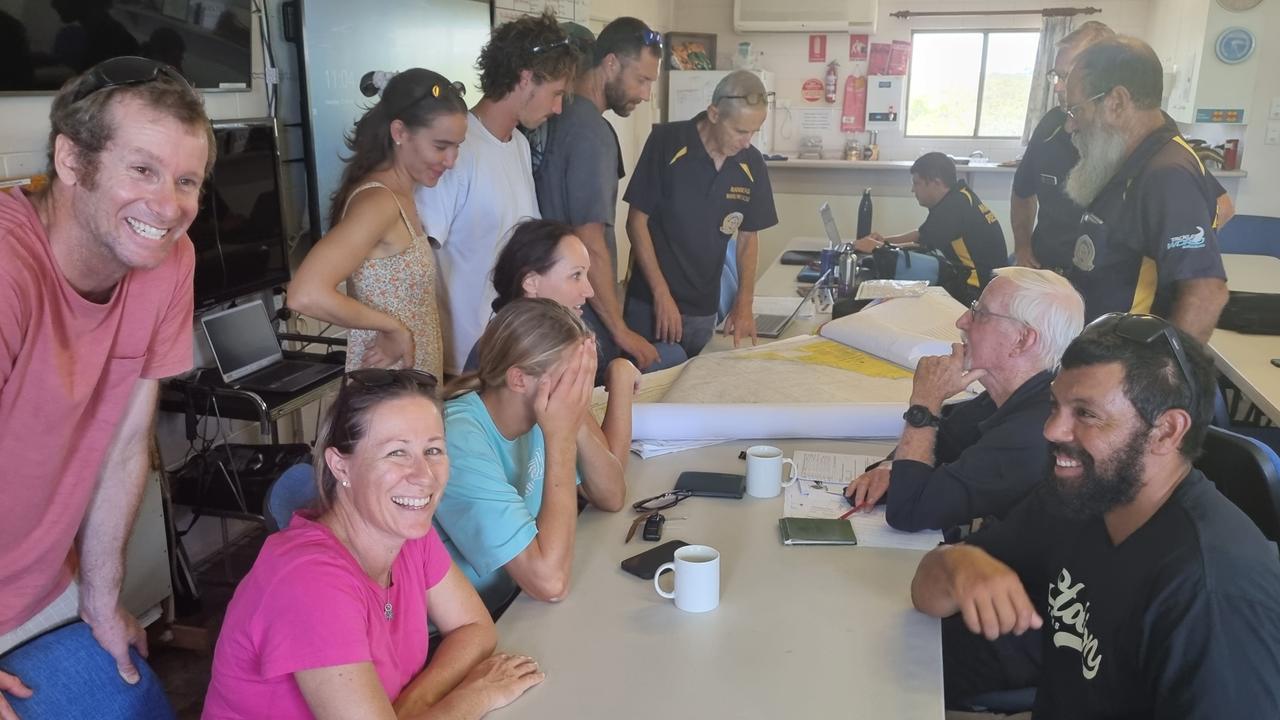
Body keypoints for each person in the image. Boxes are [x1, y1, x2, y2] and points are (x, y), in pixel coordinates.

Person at [910, 312, 1280, 715]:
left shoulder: (1212, 594)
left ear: (1168, 431)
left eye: (1085, 413)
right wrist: (958, 563)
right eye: (1055, 405)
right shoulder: (1079, 497)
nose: (1052, 430)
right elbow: (925, 593)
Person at [0, 56, 212, 715]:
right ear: (71, 160)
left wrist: (100, 595)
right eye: (142, 169)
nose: (169, 205)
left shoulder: (168, 259)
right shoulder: (9, 270)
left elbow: (125, 440)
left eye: (186, 180)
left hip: (38, 586)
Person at [204, 370, 544, 719]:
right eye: (397, 453)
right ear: (341, 465)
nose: (424, 475)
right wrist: (477, 695)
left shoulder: (406, 531)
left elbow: (474, 628)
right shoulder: (309, 582)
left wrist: (410, 707)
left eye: (433, 449)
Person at [845, 267, 1085, 533]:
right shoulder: (1009, 395)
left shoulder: (1031, 435)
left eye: (980, 314)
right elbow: (945, 436)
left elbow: (908, 511)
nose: (962, 321)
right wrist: (890, 468)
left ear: (1022, 340)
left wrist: (924, 403)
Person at [435, 299, 627, 611]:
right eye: (571, 378)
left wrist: (575, 421)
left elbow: (611, 495)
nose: (578, 390)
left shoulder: (546, 413)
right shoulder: (458, 441)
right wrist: (562, 437)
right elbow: (549, 583)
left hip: (516, 604)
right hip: (470, 623)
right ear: (519, 379)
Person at [415, 12, 579, 376]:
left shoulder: (518, 144)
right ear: (525, 79)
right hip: (461, 366)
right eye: (555, 94)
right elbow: (419, 260)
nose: (558, 108)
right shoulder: (455, 150)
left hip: (509, 357)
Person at [1012, 23, 1234, 273]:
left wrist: (1160, 270)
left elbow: (1221, 207)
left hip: (1110, 289)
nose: (1058, 87)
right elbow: (1022, 191)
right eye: (1056, 75)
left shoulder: (1148, 133)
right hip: (1049, 272)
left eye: (1067, 75)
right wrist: (1022, 247)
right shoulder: (1050, 125)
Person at [288, 68, 468, 377]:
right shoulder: (379, 203)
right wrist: (390, 327)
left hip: (412, 392)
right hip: (386, 399)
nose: (451, 161)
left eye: (457, 146)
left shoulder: (403, 195)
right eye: (440, 147)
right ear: (399, 133)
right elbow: (305, 293)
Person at [1059, 36, 1227, 342]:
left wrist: (1160, 380)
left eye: (1076, 111)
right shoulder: (1127, 157)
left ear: (1117, 103)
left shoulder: (1167, 173)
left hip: (1124, 372)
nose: (1071, 126)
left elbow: (1205, 295)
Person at [534, 16, 665, 374]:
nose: (644, 94)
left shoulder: (559, 118)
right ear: (610, 64)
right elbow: (591, 240)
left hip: (551, 308)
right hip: (583, 312)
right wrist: (620, 330)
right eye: (641, 79)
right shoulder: (591, 133)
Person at [623, 70, 778, 356]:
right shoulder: (666, 142)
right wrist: (661, 293)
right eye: (741, 131)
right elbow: (636, 223)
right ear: (714, 114)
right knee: (646, 390)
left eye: (755, 132)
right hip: (650, 304)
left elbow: (747, 239)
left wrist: (744, 303)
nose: (747, 142)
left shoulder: (752, 164)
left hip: (704, 309)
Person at [467, 219, 640, 472]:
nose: (589, 290)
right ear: (531, 283)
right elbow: (609, 472)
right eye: (576, 275)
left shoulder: (505, 339)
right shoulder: (544, 355)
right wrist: (621, 376)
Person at [854, 152, 1007, 305]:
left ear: (936, 182)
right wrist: (885, 240)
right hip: (984, 284)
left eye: (917, 183)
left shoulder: (953, 208)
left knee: (893, 300)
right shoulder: (960, 195)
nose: (913, 190)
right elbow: (922, 234)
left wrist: (877, 248)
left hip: (975, 292)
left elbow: (922, 246)